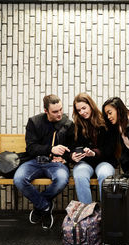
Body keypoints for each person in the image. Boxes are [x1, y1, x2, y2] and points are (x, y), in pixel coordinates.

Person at [14, 94, 74, 230]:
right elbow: (31, 148)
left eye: (61, 109)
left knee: (62, 179)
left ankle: (39, 205)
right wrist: (51, 149)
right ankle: (45, 207)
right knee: (18, 179)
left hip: (57, 164)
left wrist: (66, 157)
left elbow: (72, 148)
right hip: (34, 161)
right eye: (55, 111)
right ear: (46, 111)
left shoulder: (68, 124)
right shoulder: (34, 122)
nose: (59, 114)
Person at [70, 93, 117, 204]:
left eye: (84, 108)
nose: (82, 112)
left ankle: (106, 214)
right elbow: (71, 147)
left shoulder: (106, 122)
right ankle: (87, 216)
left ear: (91, 105)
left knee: (105, 175)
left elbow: (110, 148)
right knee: (80, 176)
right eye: (79, 110)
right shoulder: (76, 126)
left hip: (104, 161)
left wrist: (94, 153)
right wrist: (72, 156)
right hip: (85, 163)